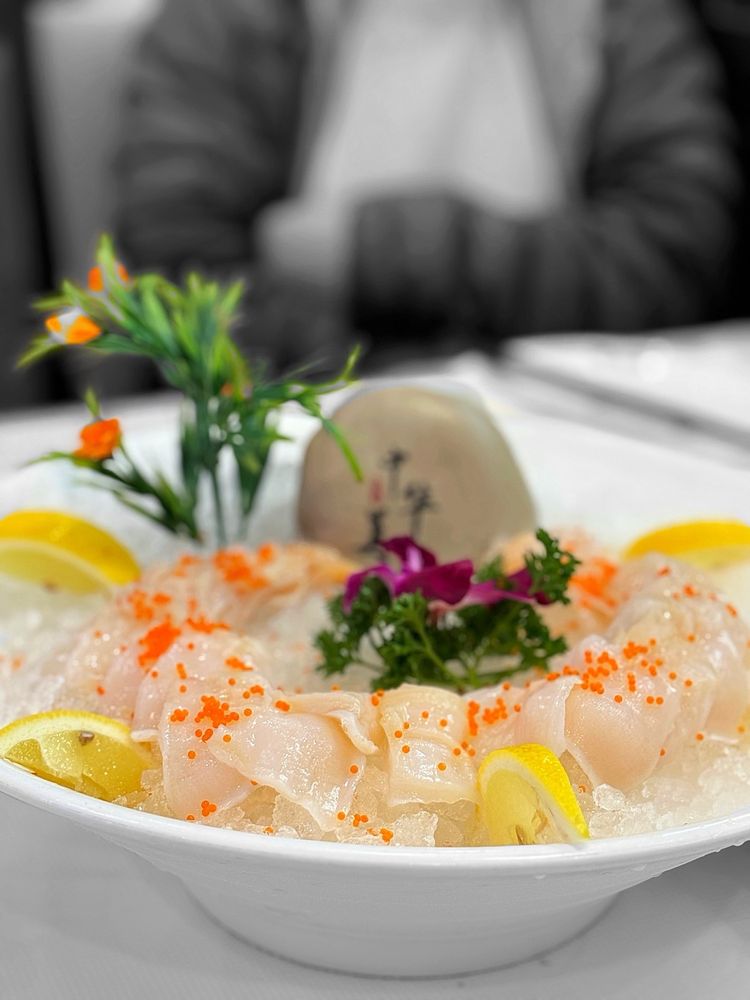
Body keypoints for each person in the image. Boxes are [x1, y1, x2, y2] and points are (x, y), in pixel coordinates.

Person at [113, 0, 739, 370]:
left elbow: (675, 247)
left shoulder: (616, 17)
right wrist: (376, 386)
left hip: (568, 420)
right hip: (313, 422)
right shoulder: (231, 20)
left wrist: (374, 251)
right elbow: (177, 270)